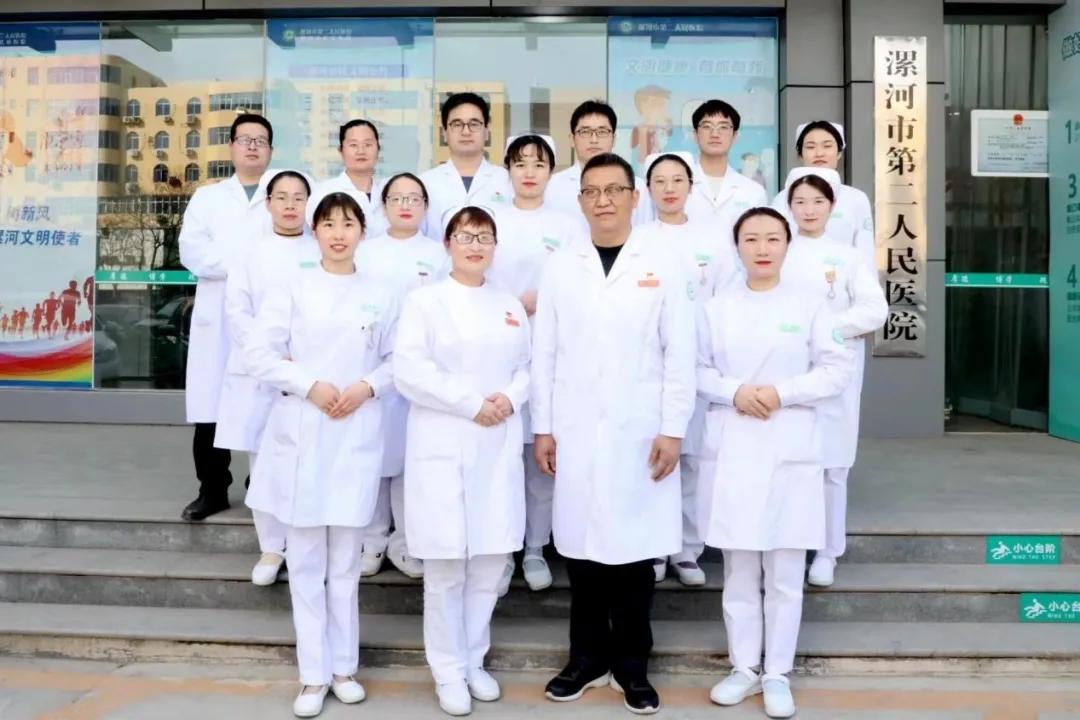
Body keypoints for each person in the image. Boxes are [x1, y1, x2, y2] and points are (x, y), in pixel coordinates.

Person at [531, 153, 695, 715]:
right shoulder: (562, 265)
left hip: (640, 429)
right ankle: (585, 659)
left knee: (634, 555)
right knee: (580, 554)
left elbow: (681, 351)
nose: (603, 200)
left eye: (613, 190)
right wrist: (543, 427)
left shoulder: (664, 261)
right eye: (592, 191)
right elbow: (545, 353)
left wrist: (673, 429)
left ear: (633, 197)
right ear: (580, 200)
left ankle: (631, 667)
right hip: (575, 427)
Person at [245, 191, 399, 718]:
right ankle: (312, 675)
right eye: (329, 224)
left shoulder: (381, 293)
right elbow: (258, 353)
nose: (338, 233)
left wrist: (367, 386)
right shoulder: (293, 287)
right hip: (304, 432)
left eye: (348, 223)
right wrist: (308, 384)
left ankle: (344, 669)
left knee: (346, 564)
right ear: (315, 232)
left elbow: (399, 358)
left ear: (362, 232)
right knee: (307, 562)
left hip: (354, 432)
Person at [697, 206, 854, 720]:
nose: (762, 248)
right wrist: (736, 391)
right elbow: (695, 369)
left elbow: (836, 370)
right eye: (751, 239)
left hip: (789, 443)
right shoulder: (715, 308)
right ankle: (744, 667)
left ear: (788, 244)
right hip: (736, 443)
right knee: (740, 569)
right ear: (736, 246)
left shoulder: (812, 305)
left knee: (785, 572)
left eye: (772, 238)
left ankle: (777, 673)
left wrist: (781, 393)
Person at [394, 206, 530, 717]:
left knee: (490, 563)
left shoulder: (508, 303)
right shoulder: (425, 302)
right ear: (448, 243)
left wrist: (509, 398)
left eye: (485, 237)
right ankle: (447, 670)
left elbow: (527, 367)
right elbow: (410, 370)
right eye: (466, 236)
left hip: (496, 442)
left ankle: (474, 659)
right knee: (447, 567)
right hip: (444, 440)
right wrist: (471, 403)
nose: (476, 246)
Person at [781, 168, 888, 587]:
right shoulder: (777, 250)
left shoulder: (848, 257)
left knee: (833, 464)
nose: (809, 210)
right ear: (788, 206)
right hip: (786, 368)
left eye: (818, 202)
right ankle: (790, 544)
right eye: (800, 202)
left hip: (836, 369)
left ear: (832, 207)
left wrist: (826, 330)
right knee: (789, 460)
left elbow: (874, 310)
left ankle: (827, 552)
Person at [215, 170, 320, 587]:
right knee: (264, 461)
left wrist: (305, 356)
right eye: (282, 197)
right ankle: (272, 547)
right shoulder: (249, 253)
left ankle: (306, 544)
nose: (291, 205)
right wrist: (272, 355)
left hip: (312, 371)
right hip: (261, 371)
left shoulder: (322, 248)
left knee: (308, 457)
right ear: (269, 203)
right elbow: (237, 311)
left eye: (299, 197)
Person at [639, 151, 738, 587]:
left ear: (690, 187)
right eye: (659, 181)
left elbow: (727, 300)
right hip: (649, 364)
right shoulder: (639, 240)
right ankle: (654, 548)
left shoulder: (713, 240)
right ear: (648, 189)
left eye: (677, 180)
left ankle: (688, 549)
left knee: (694, 457)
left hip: (700, 361)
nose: (669, 188)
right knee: (654, 455)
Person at [490, 134, 580, 594]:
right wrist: (511, 303)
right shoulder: (491, 219)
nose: (529, 172)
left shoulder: (567, 225)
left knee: (541, 456)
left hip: (550, 346)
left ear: (551, 171)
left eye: (539, 164)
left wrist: (542, 299)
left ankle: (534, 548)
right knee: (501, 459)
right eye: (520, 163)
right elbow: (474, 273)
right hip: (497, 345)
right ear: (507, 168)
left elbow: (580, 281)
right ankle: (503, 551)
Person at [178, 113, 275, 521]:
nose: (252, 146)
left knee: (269, 400)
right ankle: (213, 488)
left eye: (260, 140)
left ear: (270, 150)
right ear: (232, 146)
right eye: (244, 139)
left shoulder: (285, 193)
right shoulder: (208, 198)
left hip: (268, 312)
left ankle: (263, 486)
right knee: (211, 406)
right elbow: (193, 252)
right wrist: (250, 264)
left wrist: (241, 262)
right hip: (217, 315)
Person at [356, 172, 448, 581]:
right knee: (374, 459)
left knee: (412, 463)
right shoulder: (365, 251)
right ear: (384, 206)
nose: (406, 205)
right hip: (373, 367)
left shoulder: (439, 254)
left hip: (421, 369)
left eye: (414, 198)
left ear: (426, 207)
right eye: (397, 198)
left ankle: (407, 543)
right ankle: (372, 541)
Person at [771, 121, 874, 272]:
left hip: (843, 281)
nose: (819, 153)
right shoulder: (782, 198)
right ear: (800, 154)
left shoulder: (856, 198)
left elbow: (866, 253)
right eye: (810, 147)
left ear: (839, 152)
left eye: (827, 146)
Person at [545, 100, 655, 228]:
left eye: (602, 132)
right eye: (585, 132)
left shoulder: (636, 186)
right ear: (572, 139)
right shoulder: (551, 187)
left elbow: (644, 231)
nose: (594, 140)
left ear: (614, 139)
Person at [420, 93, 512, 233]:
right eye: (457, 125)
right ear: (444, 133)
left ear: (486, 131)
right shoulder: (424, 183)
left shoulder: (508, 181)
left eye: (474, 124)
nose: (466, 131)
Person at [684, 100, 767, 231]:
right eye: (707, 126)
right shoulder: (678, 186)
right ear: (695, 134)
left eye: (723, 127)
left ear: (735, 136)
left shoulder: (754, 191)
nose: (715, 134)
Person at [308, 119, 389, 239]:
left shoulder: (390, 193)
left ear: (378, 149)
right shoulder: (322, 192)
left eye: (368, 145)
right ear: (341, 151)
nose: (361, 151)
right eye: (353, 145)